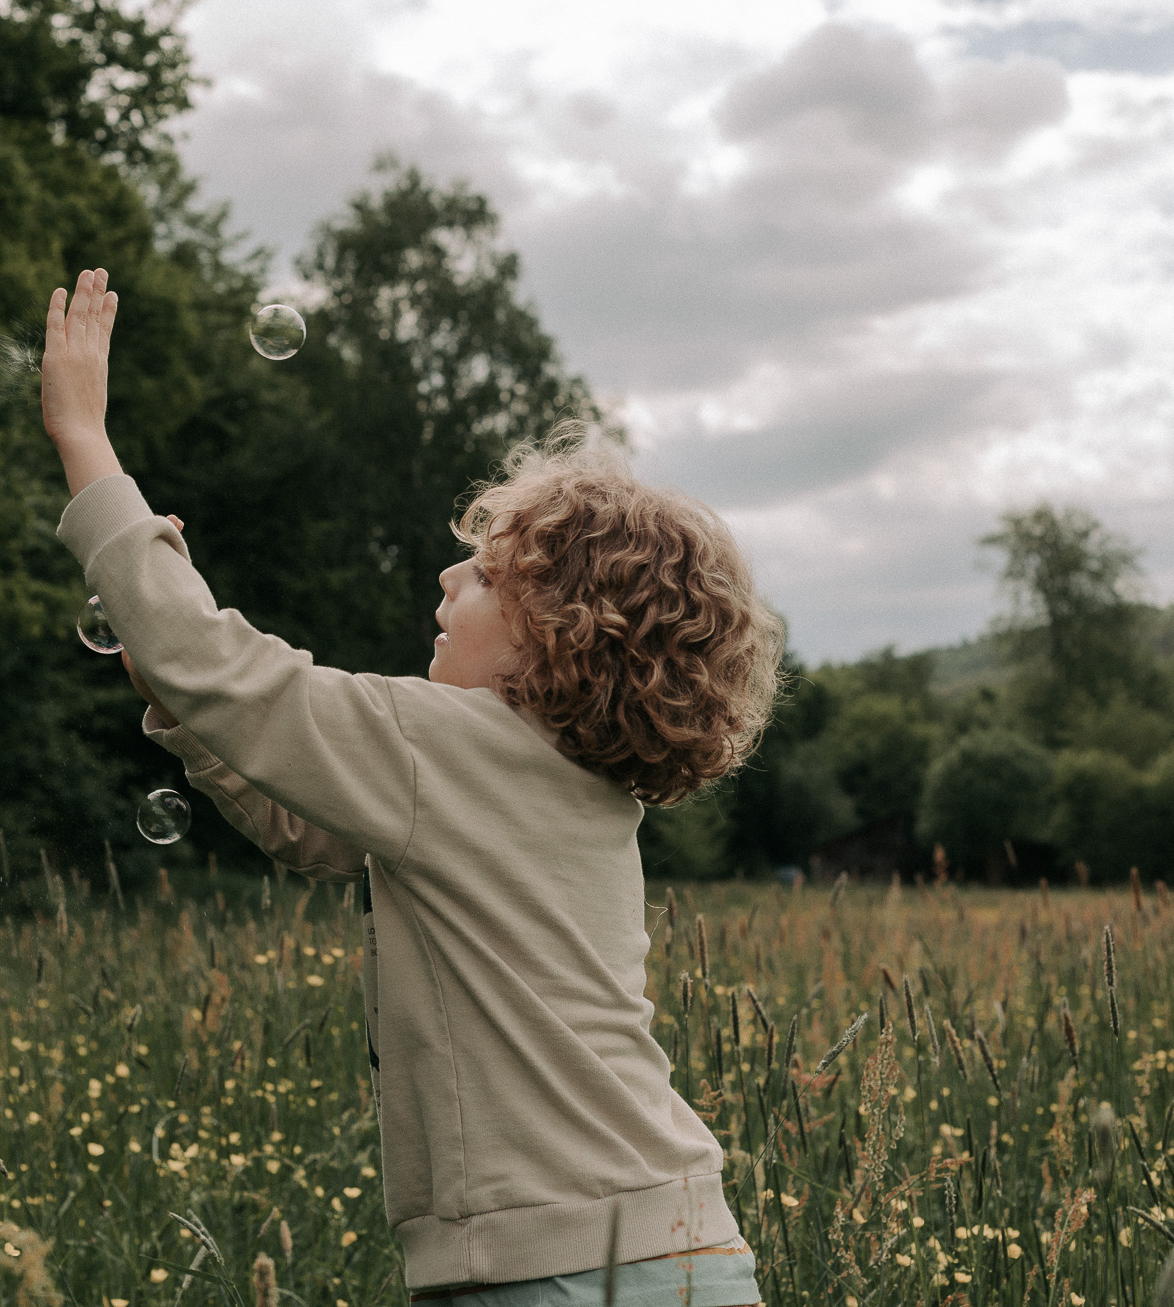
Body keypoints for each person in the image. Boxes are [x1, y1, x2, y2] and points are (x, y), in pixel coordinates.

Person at [40, 268, 781, 1305]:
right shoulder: (562, 782)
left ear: (559, 634)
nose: (446, 578)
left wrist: (84, 437)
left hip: (568, 1270)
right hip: (672, 1250)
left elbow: (234, 677)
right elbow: (312, 831)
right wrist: (182, 698)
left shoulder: (456, 748)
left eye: (485, 574)